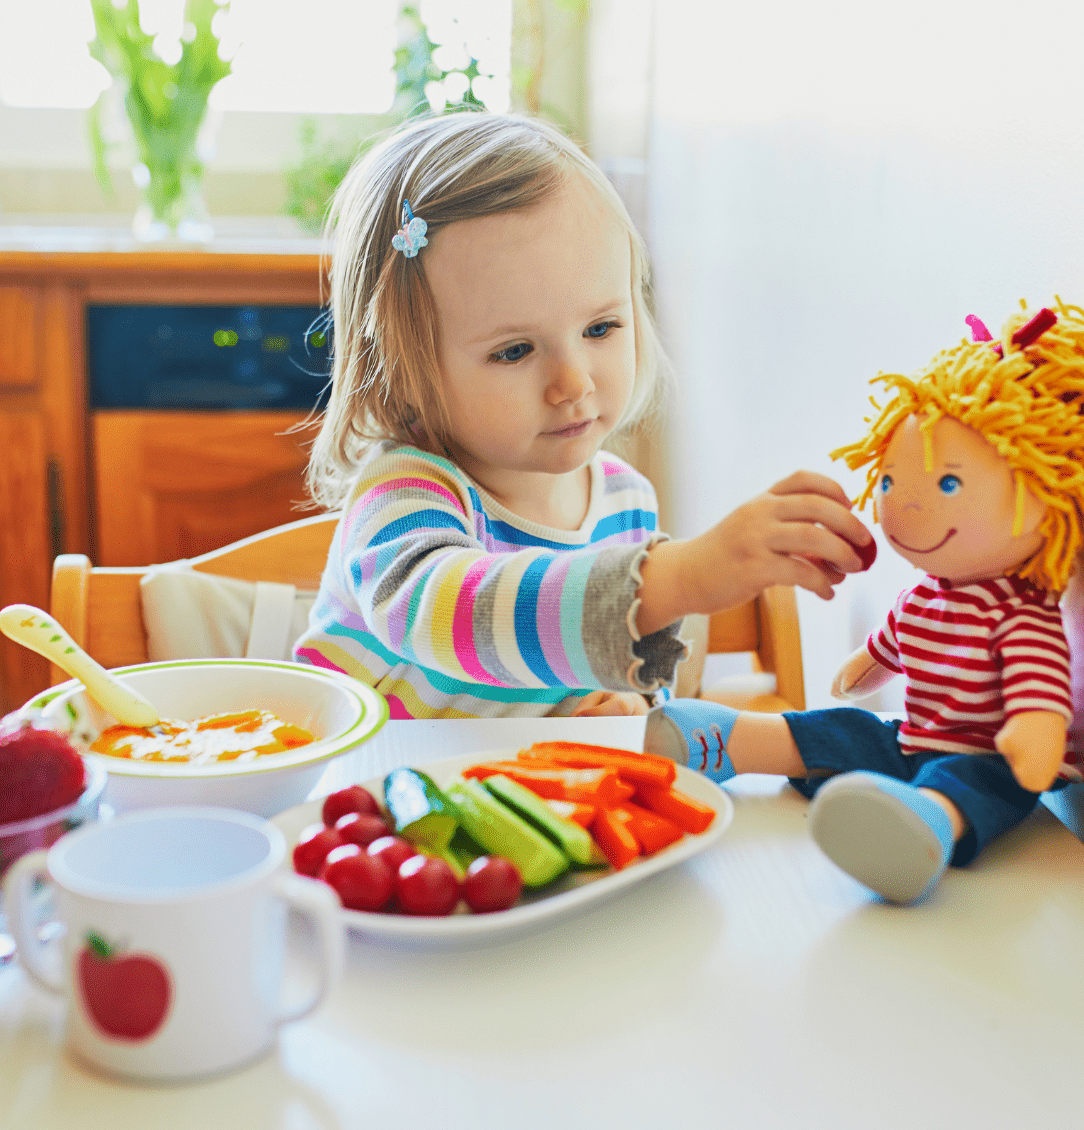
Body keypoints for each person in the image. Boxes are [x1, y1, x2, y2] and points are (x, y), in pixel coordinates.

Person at [294, 111, 873, 719]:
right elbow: (452, 616)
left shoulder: (625, 500)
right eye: (514, 351)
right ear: (405, 369)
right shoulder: (404, 495)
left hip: (527, 798)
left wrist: (627, 700)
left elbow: (624, 658)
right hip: (372, 799)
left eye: (600, 328)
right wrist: (676, 577)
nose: (573, 383)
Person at [647, 300, 1084, 903]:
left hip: (985, 757)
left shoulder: (1021, 616)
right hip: (909, 736)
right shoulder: (924, 595)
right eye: (892, 482)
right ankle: (726, 740)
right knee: (847, 727)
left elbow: (1038, 697)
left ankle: (922, 826)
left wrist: (1035, 735)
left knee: (967, 782)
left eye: (948, 483)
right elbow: (894, 644)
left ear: (1043, 494)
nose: (902, 506)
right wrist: (864, 667)